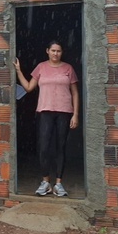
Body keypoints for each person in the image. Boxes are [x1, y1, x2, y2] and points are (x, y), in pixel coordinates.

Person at [14, 40, 79, 197]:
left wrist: (75, 114)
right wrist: (18, 71)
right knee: (43, 147)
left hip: (64, 112)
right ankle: (45, 183)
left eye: (59, 51)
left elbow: (75, 93)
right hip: (44, 111)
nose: (56, 53)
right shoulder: (41, 67)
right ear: (47, 51)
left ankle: (58, 184)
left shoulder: (68, 68)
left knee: (60, 147)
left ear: (62, 52)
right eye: (53, 50)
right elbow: (29, 88)